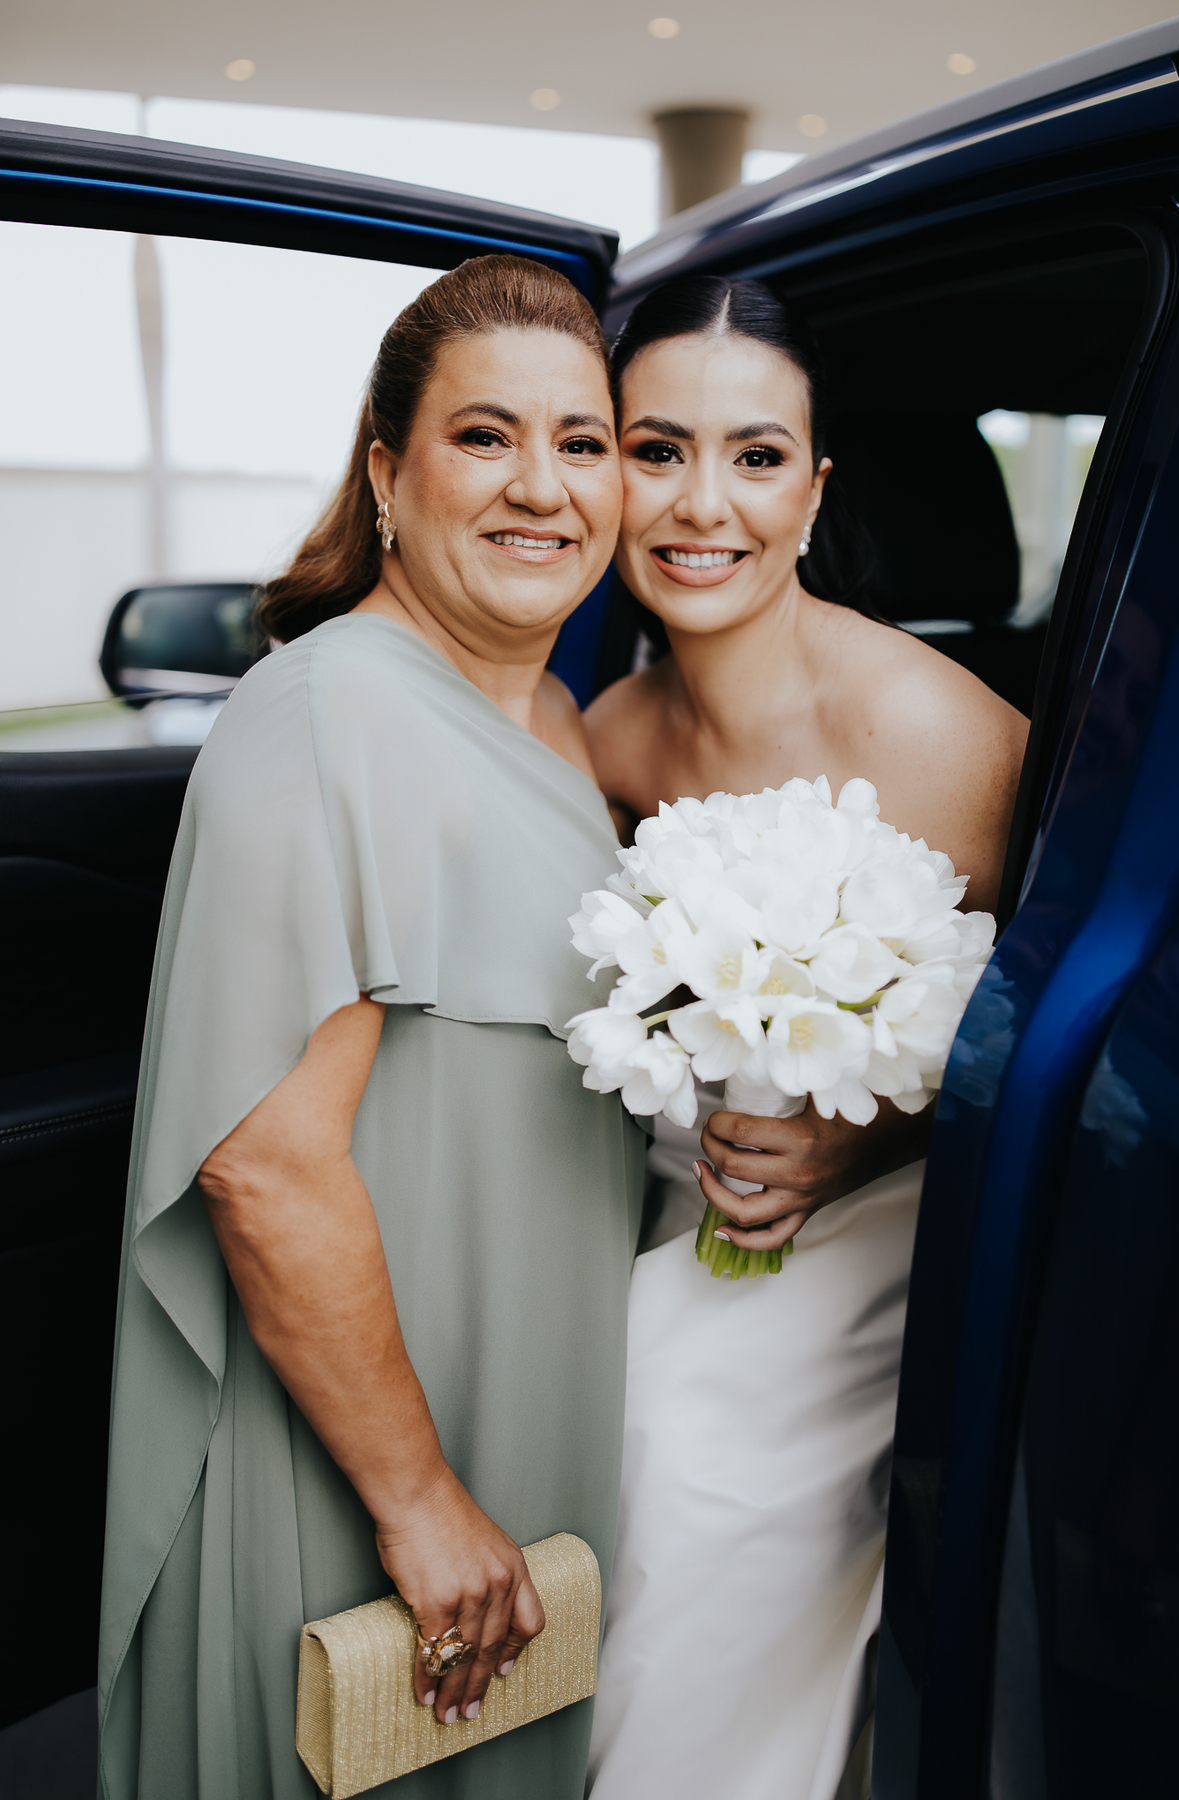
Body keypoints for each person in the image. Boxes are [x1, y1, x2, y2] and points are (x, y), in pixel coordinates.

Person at [97, 255, 645, 1800]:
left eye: (584, 442)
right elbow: (264, 1165)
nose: (543, 486)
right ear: (389, 476)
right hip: (372, 1443)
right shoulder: (329, 713)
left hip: (527, 1382)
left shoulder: (562, 725)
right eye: (485, 438)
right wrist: (416, 1500)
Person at [584, 276, 1028, 1798]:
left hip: (889, 1230)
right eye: (657, 451)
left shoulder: (938, 732)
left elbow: (1072, 1035)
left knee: (672, 1435)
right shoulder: (606, 739)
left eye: (757, 457)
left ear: (817, 488)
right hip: (672, 1202)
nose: (702, 506)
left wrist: (865, 1138)